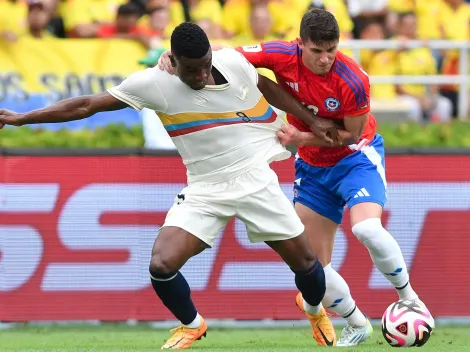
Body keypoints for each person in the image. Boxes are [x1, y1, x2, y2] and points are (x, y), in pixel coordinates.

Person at [0, 22, 338, 350]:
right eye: (191, 70)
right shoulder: (154, 83)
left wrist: (310, 120)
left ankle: (312, 309)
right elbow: (87, 104)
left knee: (308, 266)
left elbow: (264, 84)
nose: (201, 76)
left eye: (205, 66)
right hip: (205, 188)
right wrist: (22, 118)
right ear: (172, 61)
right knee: (161, 265)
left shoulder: (232, 62)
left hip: (255, 178)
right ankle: (192, 324)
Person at [155, 8, 432, 347]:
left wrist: (302, 137)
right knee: (314, 267)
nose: (325, 58)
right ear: (301, 44)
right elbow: (226, 58)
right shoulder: (280, 54)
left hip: (355, 159)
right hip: (313, 168)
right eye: (317, 51)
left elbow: (352, 134)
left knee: (366, 228)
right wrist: (176, 55)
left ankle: (410, 299)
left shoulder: (354, 79)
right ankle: (358, 324)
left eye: (331, 50)